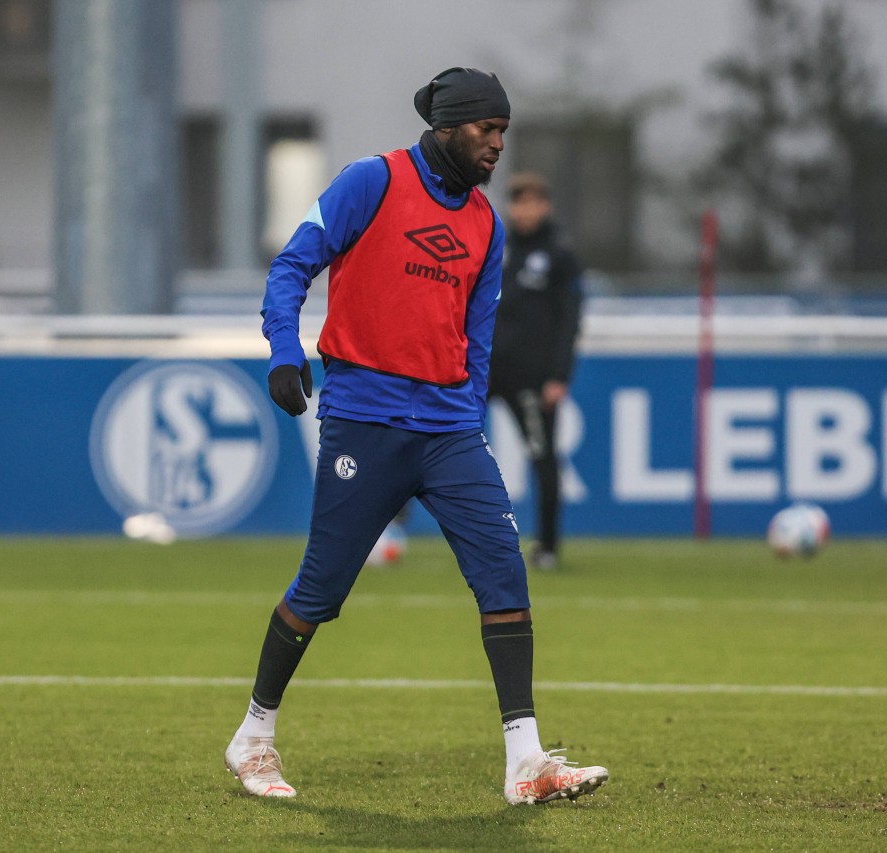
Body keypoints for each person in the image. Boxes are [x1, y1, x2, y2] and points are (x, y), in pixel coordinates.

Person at [224, 67, 608, 805]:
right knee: (321, 587)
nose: (497, 145)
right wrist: (282, 351)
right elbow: (291, 265)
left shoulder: (487, 223)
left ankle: (524, 760)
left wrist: (465, 416)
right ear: (448, 128)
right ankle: (254, 733)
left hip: (449, 431)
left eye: (503, 132)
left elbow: (478, 338)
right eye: (486, 131)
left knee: (504, 574)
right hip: (363, 421)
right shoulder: (371, 180)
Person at [488, 172, 585, 570]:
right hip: (483, 369)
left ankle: (547, 546)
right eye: (517, 203)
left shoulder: (559, 257)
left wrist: (558, 375)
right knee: (429, 437)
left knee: (543, 458)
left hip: (531, 377)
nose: (523, 211)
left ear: (545, 207)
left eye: (530, 203)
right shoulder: (496, 246)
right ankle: (397, 528)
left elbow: (569, 322)